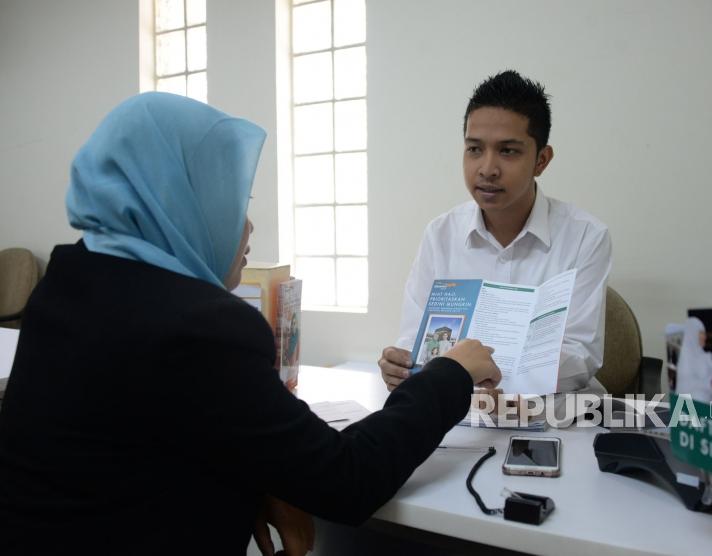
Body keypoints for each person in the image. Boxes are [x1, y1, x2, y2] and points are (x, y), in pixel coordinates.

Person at [0, 93, 501, 556]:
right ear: (182, 204)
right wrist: (453, 372)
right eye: (235, 200)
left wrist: (250, 477)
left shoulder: (67, 286)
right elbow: (347, 480)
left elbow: (135, 442)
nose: (247, 226)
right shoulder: (201, 329)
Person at [379, 70, 611, 395]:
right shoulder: (440, 235)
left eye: (508, 151)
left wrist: (470, 372)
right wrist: (402, 364)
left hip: (552, 415)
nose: (487, 168)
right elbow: (415, 339)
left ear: (541, 160)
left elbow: (578, 356)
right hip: (458, 415)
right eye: (474, 149)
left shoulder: (585, 237)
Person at [674, 317, 712, 402]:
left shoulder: (704, 355)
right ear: (692, 333)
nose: (704, 337)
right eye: (701, 333)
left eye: (704, 334)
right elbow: (684, 385)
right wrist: (707, 383)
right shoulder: (685, 355)